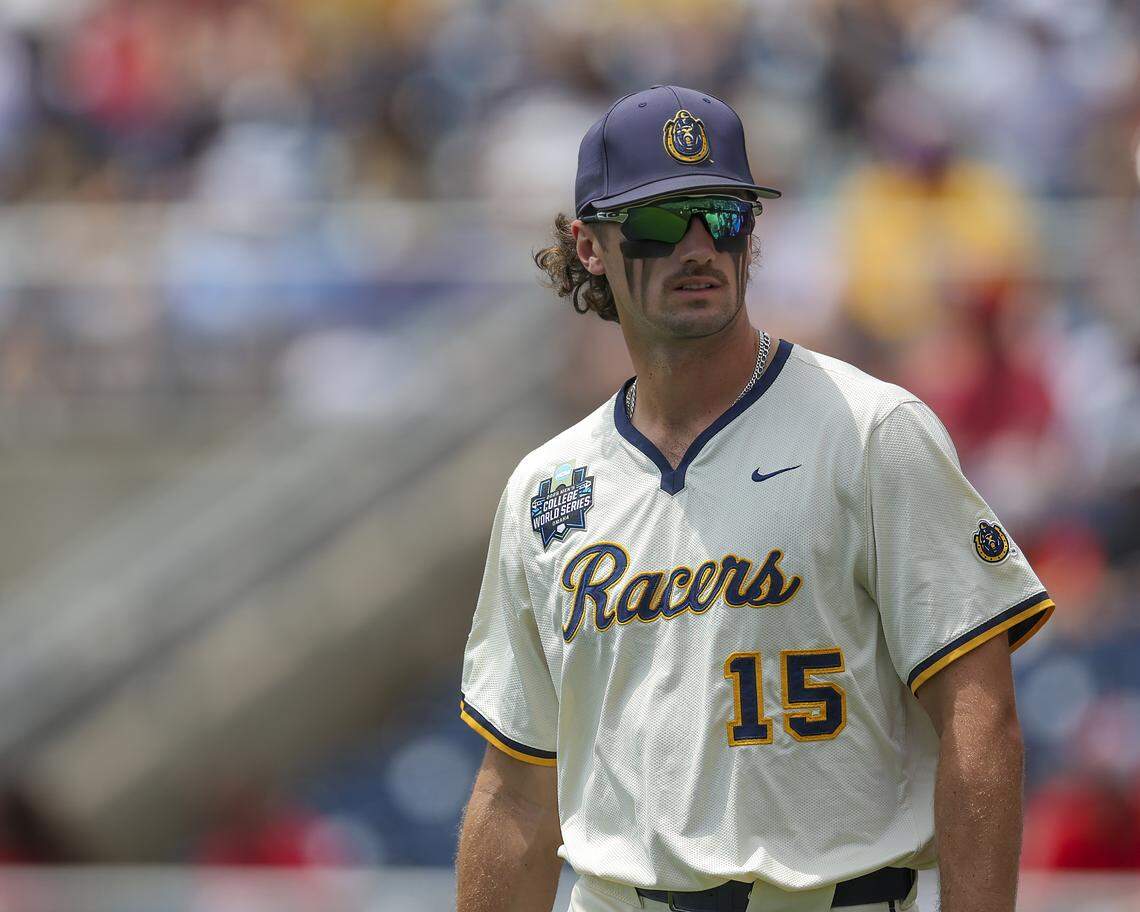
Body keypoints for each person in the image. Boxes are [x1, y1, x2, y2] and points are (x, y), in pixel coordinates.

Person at [455, 85, 1055, 912]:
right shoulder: (545, 489)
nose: (698, 246)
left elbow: (980, 718)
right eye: (662, 221)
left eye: (724, 216)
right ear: (588, 246)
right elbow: (517, 786)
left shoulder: (870, 429)